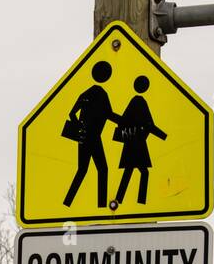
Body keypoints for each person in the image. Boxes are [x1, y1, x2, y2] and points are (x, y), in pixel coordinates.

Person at [62, 61, 121, 208]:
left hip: (83, 138)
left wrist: (79, 126)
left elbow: (71, 113)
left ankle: (67, 202)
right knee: (102, 169)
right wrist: (125, 121)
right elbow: (110, 115)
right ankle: (101, 205)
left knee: (82, 170)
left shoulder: (86, 93)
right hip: (93, 138)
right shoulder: (102, 94)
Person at [113, 76, 166, 206]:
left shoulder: (134, 101)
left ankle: (119, 199)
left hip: (131, 143)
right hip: (137, 145)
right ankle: (140, 201)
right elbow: (150, 124)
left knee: (130, 171)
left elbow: (123, 120)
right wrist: (163, 136)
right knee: (142, 172)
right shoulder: (140, 102)